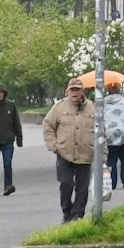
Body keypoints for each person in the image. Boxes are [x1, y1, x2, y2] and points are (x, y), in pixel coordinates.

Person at [43, 81, 96, 221]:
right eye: (72, 90)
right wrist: (54, 146)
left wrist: (103, 154)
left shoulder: (92, 108)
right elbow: (48, 125)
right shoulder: (59, 107)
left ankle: (78, 215)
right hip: (64, 153)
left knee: (82, 187)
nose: (74, 92)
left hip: (85, 153)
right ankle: (67, 212)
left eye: (77, 90)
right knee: (66, 183)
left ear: (83, 91)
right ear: (67, 92)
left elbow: (101, 131)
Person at [103, 82, 124, 194]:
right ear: (119, 90)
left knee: (111, 158)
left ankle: (112, 183)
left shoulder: (103, 103)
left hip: (110, 134)